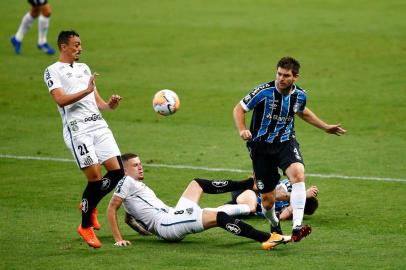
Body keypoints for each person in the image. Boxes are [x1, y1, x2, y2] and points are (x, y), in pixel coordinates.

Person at [233, 56, 346, 242]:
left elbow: (302, 111)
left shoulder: (300, 95)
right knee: (268, 202)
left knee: (298, 174)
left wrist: (325, 127)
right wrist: (242, 129)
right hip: (261, 147)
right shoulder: (263, 91)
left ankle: (297, 227)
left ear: (295, 77)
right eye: (279, 74)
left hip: (286, 142)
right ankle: (274, 224)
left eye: (286, 75)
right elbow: (239, 108)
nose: (281, 78)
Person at [107, 153, 291, 251]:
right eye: (135, 165)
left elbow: (128, 218)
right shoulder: (126, 182)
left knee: (197, 184)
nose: (140, 167)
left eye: (140, 163)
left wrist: (143, 231)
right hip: (167, 224)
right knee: (218, 216)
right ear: (124, 171)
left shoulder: (132, 189)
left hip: (171, 216)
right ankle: (268, 238)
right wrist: (118, 239)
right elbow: (111, 208)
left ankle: (248, 184)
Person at [43, 30, 124, 249]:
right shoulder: (52, 71)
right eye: (76, 45)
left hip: (98, 125)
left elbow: (99, 103)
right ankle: (85, 226)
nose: (80, 48)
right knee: (95, 178)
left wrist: (110, 104)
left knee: (118, 172)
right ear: (64, 47)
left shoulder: (84, 68)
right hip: (78, 130)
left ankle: (91, 204)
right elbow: (60, 100)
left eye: (80, 44)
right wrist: (86, 90)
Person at [209, 178, 319, 221]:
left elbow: (280, 217)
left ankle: (201, 213)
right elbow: (275, 195)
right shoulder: (289, 187)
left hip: (250, 202)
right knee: (250, 207)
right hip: (247, 191)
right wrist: (301, 195)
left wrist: (293, 207)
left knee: (218, 214)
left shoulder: (290, 211)